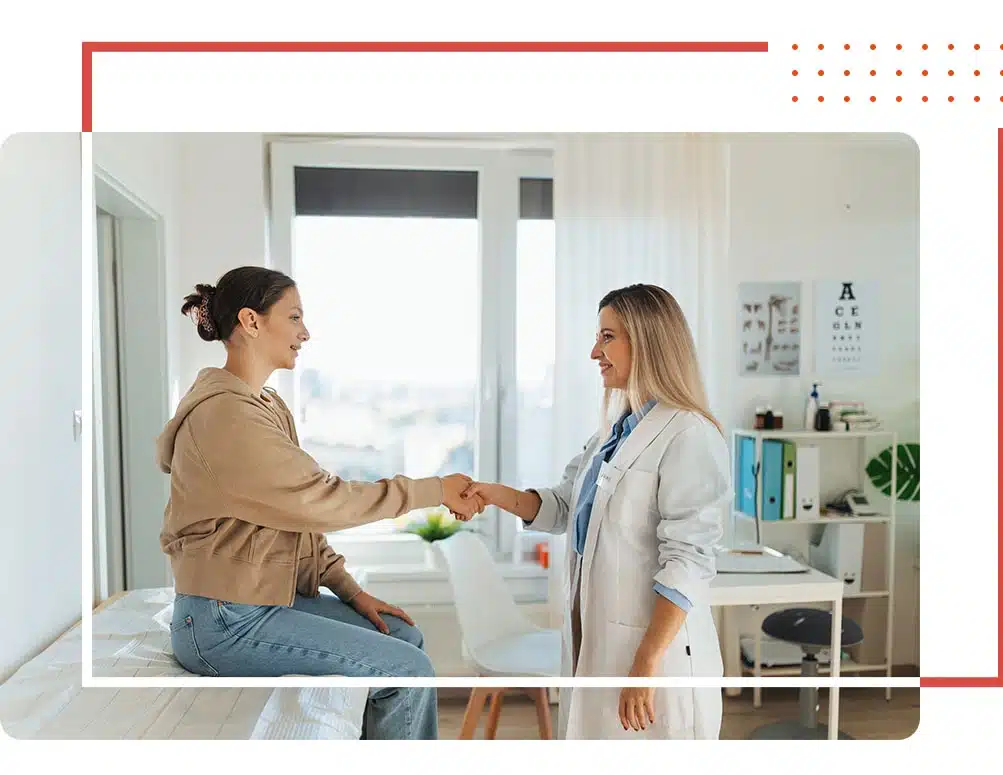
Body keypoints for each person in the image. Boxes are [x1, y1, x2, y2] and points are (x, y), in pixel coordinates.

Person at [156, 266, 483, 740]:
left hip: (262, 603)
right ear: (251, 321)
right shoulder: (224, 417)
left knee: (404, 636)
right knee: (407, 670)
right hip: (223, 620)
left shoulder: (263, 405)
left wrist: (351, 590)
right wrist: (433, 490)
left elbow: (298, 519)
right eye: (293, 318)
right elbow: (321, 501)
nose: (304, 333)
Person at [462, 283, 730, 740]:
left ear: (646, 341)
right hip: (599, 642)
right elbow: (564, 506)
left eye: (607, 336)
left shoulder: (689, 434)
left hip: (653, 658)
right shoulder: (615, 432)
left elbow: (688, 562)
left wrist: (645, 663)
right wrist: (492, 494)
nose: (594, 351)